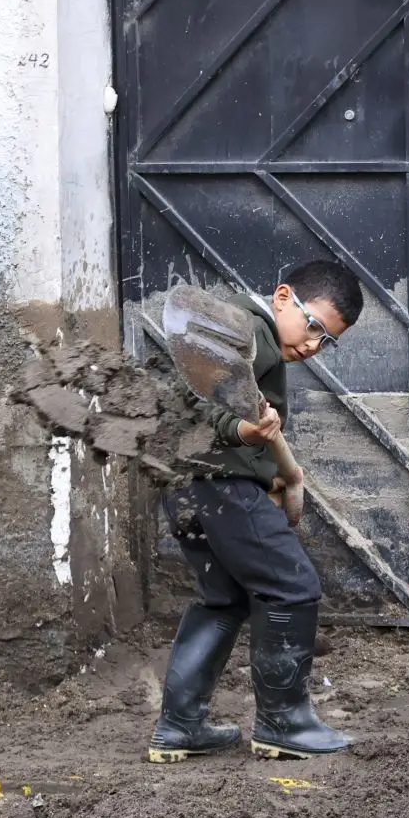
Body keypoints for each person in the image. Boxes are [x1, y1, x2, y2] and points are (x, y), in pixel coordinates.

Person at [147, 260, 365, 762]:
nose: (313, 345)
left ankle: (179, 728)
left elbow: (205, 403)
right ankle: (283, 725)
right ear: (283, 297)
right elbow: (198, 405)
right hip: (220, 487)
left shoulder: (244, 337)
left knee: (223, 599)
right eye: (314, 326)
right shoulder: (251, 333)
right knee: (292, 586)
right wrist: (243, 433)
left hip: (187, 488)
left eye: (327, 341)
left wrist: (275, 473)